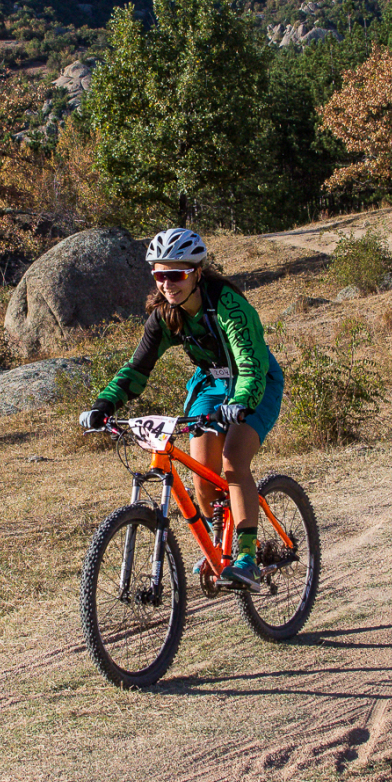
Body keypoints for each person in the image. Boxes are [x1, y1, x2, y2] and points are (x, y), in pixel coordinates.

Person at [79, 228, 286, 590]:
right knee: (202, 475)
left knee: (234, 462)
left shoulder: (229, 306)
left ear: (197, 273)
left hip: (255, 381)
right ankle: (217, 547)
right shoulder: (164, 315)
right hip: (210, 383)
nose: (167, 284)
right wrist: (104, 404)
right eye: (159, 275)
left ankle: (247, 558)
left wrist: (240, 403)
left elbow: (250, 363)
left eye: (176, 274)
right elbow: (137, 368)